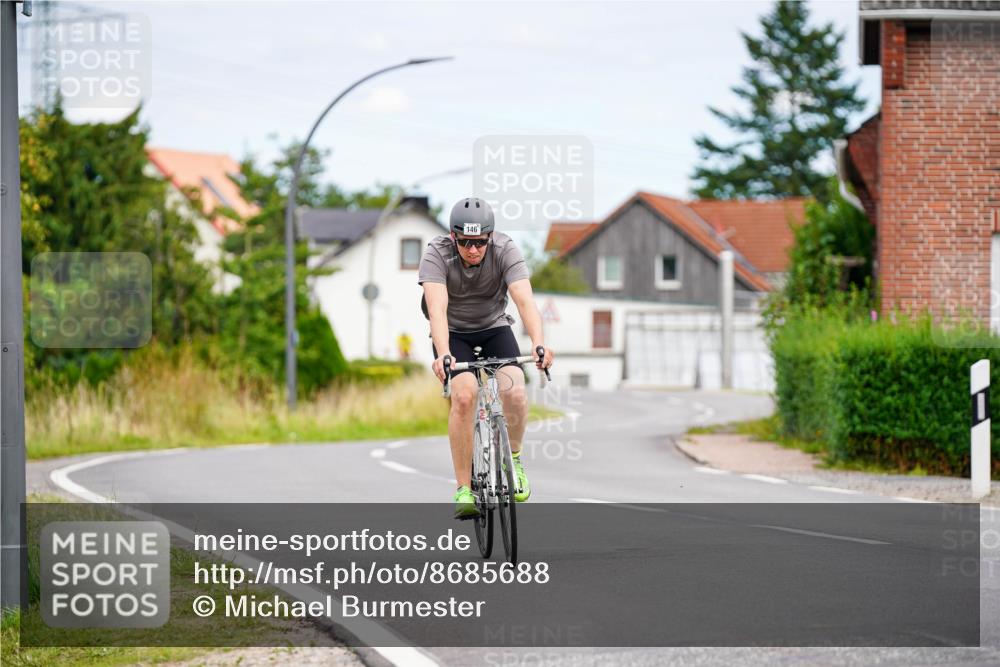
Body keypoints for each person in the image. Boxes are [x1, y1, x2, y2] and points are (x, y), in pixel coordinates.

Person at [418, 197, 554, 519]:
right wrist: (444, 353)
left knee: (515, 390)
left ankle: (514, 461)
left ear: (490, 237)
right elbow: (436, 309)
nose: (473, 249)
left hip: (494, 327)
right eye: (465, 242)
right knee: (465, 396)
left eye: (480, 242)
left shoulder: (505, 249)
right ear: (453, 236)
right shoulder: (437, 253)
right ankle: (464, 488)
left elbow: (524, 300)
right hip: (453, 334)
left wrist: (539, 344)